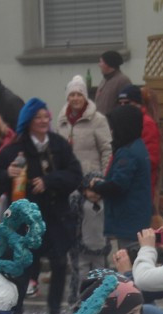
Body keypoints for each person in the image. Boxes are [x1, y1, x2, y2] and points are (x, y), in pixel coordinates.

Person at [0, 98, 83, 314]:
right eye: (38, 117)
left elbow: (75, 174)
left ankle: (55, 312)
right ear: (28, 121)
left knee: (60, 264)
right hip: (24, 223)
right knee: (22, 267)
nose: (43, 120)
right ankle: (16, 312)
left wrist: (49, 181)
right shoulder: (14, 150)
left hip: (55, 219)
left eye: (45, 116)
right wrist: (7, 175)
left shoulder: (58, 145)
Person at [57, 75, 112, 282]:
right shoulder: (61, 120)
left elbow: (107, 149)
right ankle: (77, 276)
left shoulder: (98, 119)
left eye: (79, 94)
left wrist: (102, 180)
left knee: (92, 232)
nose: (75, 98)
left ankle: (97, 278)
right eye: (71, 94)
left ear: (85, 97)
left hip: (91, 184)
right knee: (72, 228)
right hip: (68, 184)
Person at [86, 104, 152, 260]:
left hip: (128, 220)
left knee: (128, 262)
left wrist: (96, 185)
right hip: (136, 217)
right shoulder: (138, 146)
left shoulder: (127, 153)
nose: (112, 131)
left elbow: (118, 185)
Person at [116, 85, 162, 199]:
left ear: (137, 103)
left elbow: (151, 159)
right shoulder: (121, 121)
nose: (122, 106)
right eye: (120, 103)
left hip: (139, 189)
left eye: (126, 103)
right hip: (124, 185)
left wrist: (125, 168)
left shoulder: (146, 123)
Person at [94, 50, 131, 117]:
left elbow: (126, 106)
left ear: (108, 64)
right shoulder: (104, 80)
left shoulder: (123, 81)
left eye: (101, 62)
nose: (99, 65)